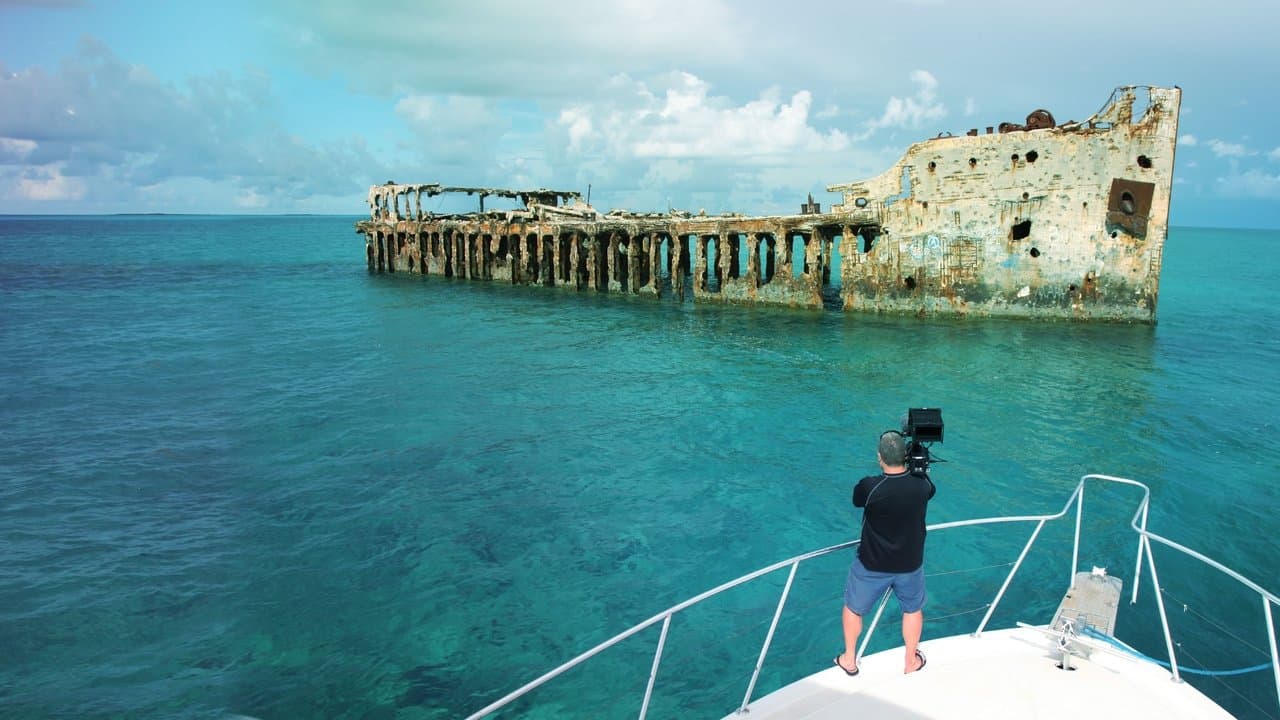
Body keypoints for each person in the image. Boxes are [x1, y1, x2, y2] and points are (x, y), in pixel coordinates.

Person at [834, 430, 936, 676]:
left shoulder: (870, 487)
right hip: (910, 564)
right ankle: (910, 661)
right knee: (912, 610)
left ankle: (849, 659)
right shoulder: (922, 485)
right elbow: (929, 489)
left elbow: (856, 500)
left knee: (854, 609)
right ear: (906, 456)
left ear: (880, 457)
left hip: (872, 564)